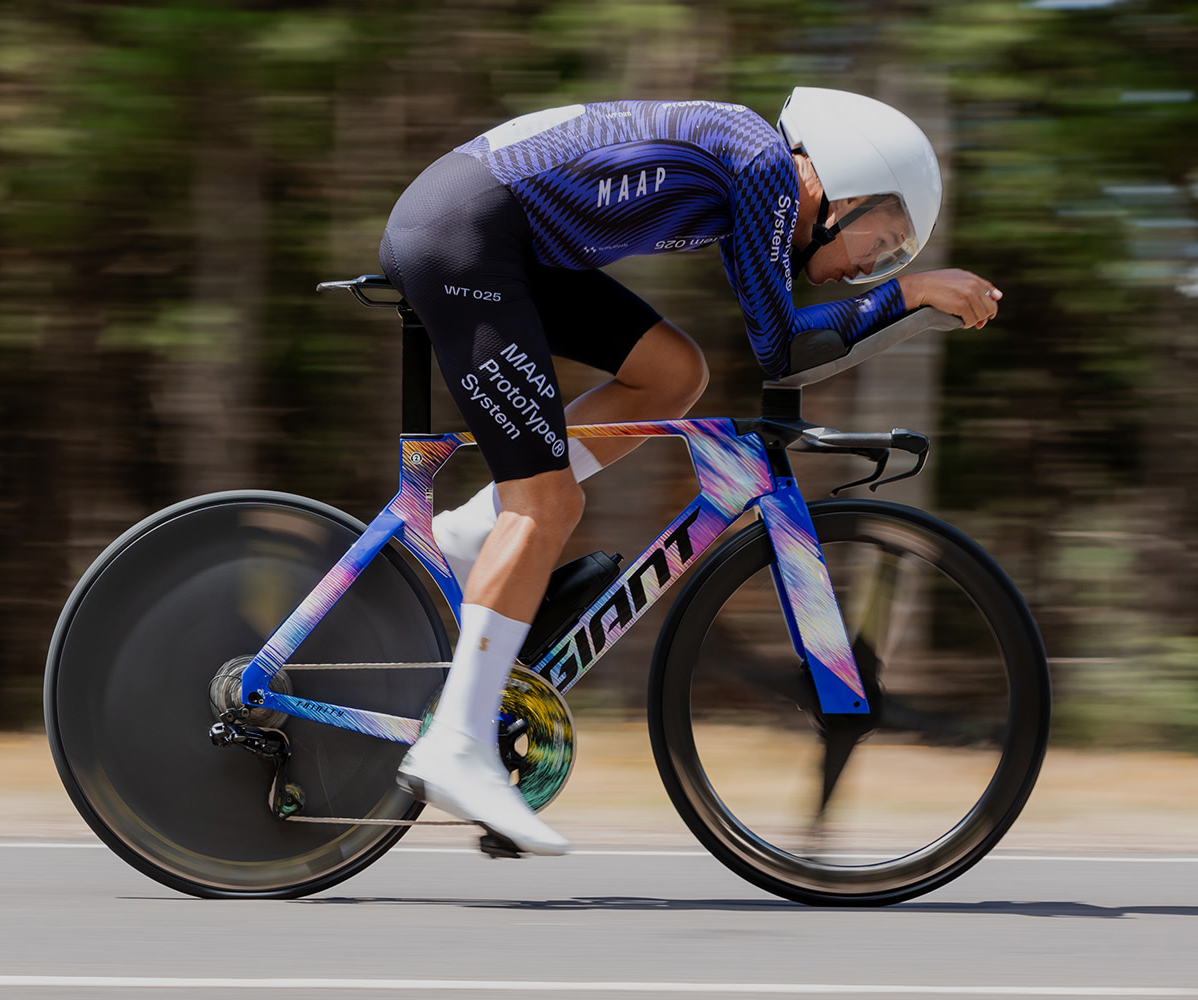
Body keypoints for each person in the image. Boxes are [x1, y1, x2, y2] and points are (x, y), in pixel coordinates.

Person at [381, 87, 1003, 857]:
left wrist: (901, 295)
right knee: (546, 506)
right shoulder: (764, 167)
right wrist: (909, 293)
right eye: (889, 238)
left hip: (499, 234)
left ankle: (474, 535)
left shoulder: (753, 170)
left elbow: (782, 344)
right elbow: (782, 347)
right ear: (847, 189)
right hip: (467, 237)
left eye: (896, 257)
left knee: (672, 373)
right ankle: (458, 742)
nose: (874, 263)